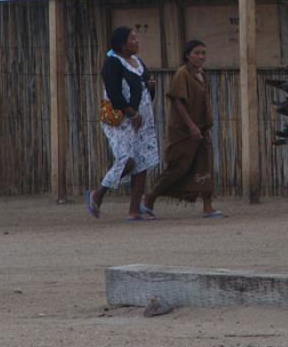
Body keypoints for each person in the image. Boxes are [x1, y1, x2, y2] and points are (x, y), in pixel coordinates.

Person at [140, 40, 224, 219]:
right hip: (184, 131)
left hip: (202, 128)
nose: (201, 57)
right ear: (187, 55)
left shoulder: (202, 74)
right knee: (178, 167)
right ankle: (149, 198)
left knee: (205, 164)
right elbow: (177, 101)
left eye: (203, 53)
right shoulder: (182, 74)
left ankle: (208, 206)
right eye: (197, 53)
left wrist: (201, 125)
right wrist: (191, 125)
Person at [86, 26, 160, 221]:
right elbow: (114, 94)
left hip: (142, 119)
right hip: (121, 121)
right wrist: (131, 113)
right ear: (122, 45)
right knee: (127, 160)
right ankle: (98, 193)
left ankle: (134, 210)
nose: (137, 41)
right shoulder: (112, 64)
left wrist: (151, 87)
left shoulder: (138, 62)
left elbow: (144, 89)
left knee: (142, 162)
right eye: (132, 39)